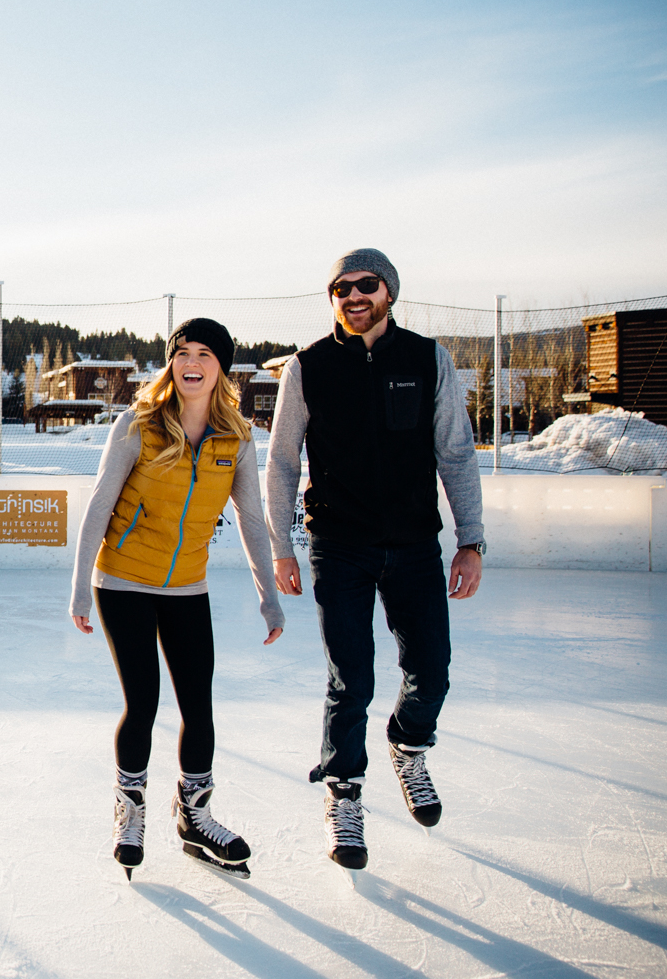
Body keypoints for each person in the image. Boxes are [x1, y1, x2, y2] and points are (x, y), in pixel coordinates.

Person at [265, 247, 484, 872]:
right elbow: (281, 463)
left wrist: (470, 539)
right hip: (340, 545)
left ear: (389, 291)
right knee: (350, 679)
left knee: (432, 670)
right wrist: (283, 546)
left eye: (366, 285)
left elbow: (456, 453)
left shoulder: (426, 358)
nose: (353, 296)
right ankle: (345, 796)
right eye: (341, 288)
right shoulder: (306, 368)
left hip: (415, 544)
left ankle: (409, 744)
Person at [70, 318, 284, 880]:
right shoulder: (138, 424)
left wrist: (269, 597)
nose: (191, 362)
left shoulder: (235, 437)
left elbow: (251, 519)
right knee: (143, 703)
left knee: (199, 706)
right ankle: (130, 807)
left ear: (222, 367)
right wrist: (79, 592)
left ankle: (194, 813)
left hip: (188, 584)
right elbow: (98, 506)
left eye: (204, 354)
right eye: (182, 352)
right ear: (171, 363)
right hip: (122, 581)